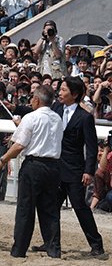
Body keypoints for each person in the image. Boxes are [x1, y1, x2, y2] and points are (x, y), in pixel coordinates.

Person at [32, 76, 104, 256]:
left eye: (64, 90)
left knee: (79, 207)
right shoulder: (55, 108)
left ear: (75, 94)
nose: (60, 93)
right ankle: (50, 242)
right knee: (51, 206)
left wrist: (89, 171)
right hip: (55, 168)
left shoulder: (85, 117)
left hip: (74, 171)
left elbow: (92, 147)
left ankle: (96, 244)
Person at [0, 85, 63, 258]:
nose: (31, 101)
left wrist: (3, 160)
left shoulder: (31, 117)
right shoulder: (57, 118)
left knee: (26, 208)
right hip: (53, 166)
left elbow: (19, 145)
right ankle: (53, 249)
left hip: (34, 165)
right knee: (50, 210)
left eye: (33, 98)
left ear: (37, 100)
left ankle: (19, 249)